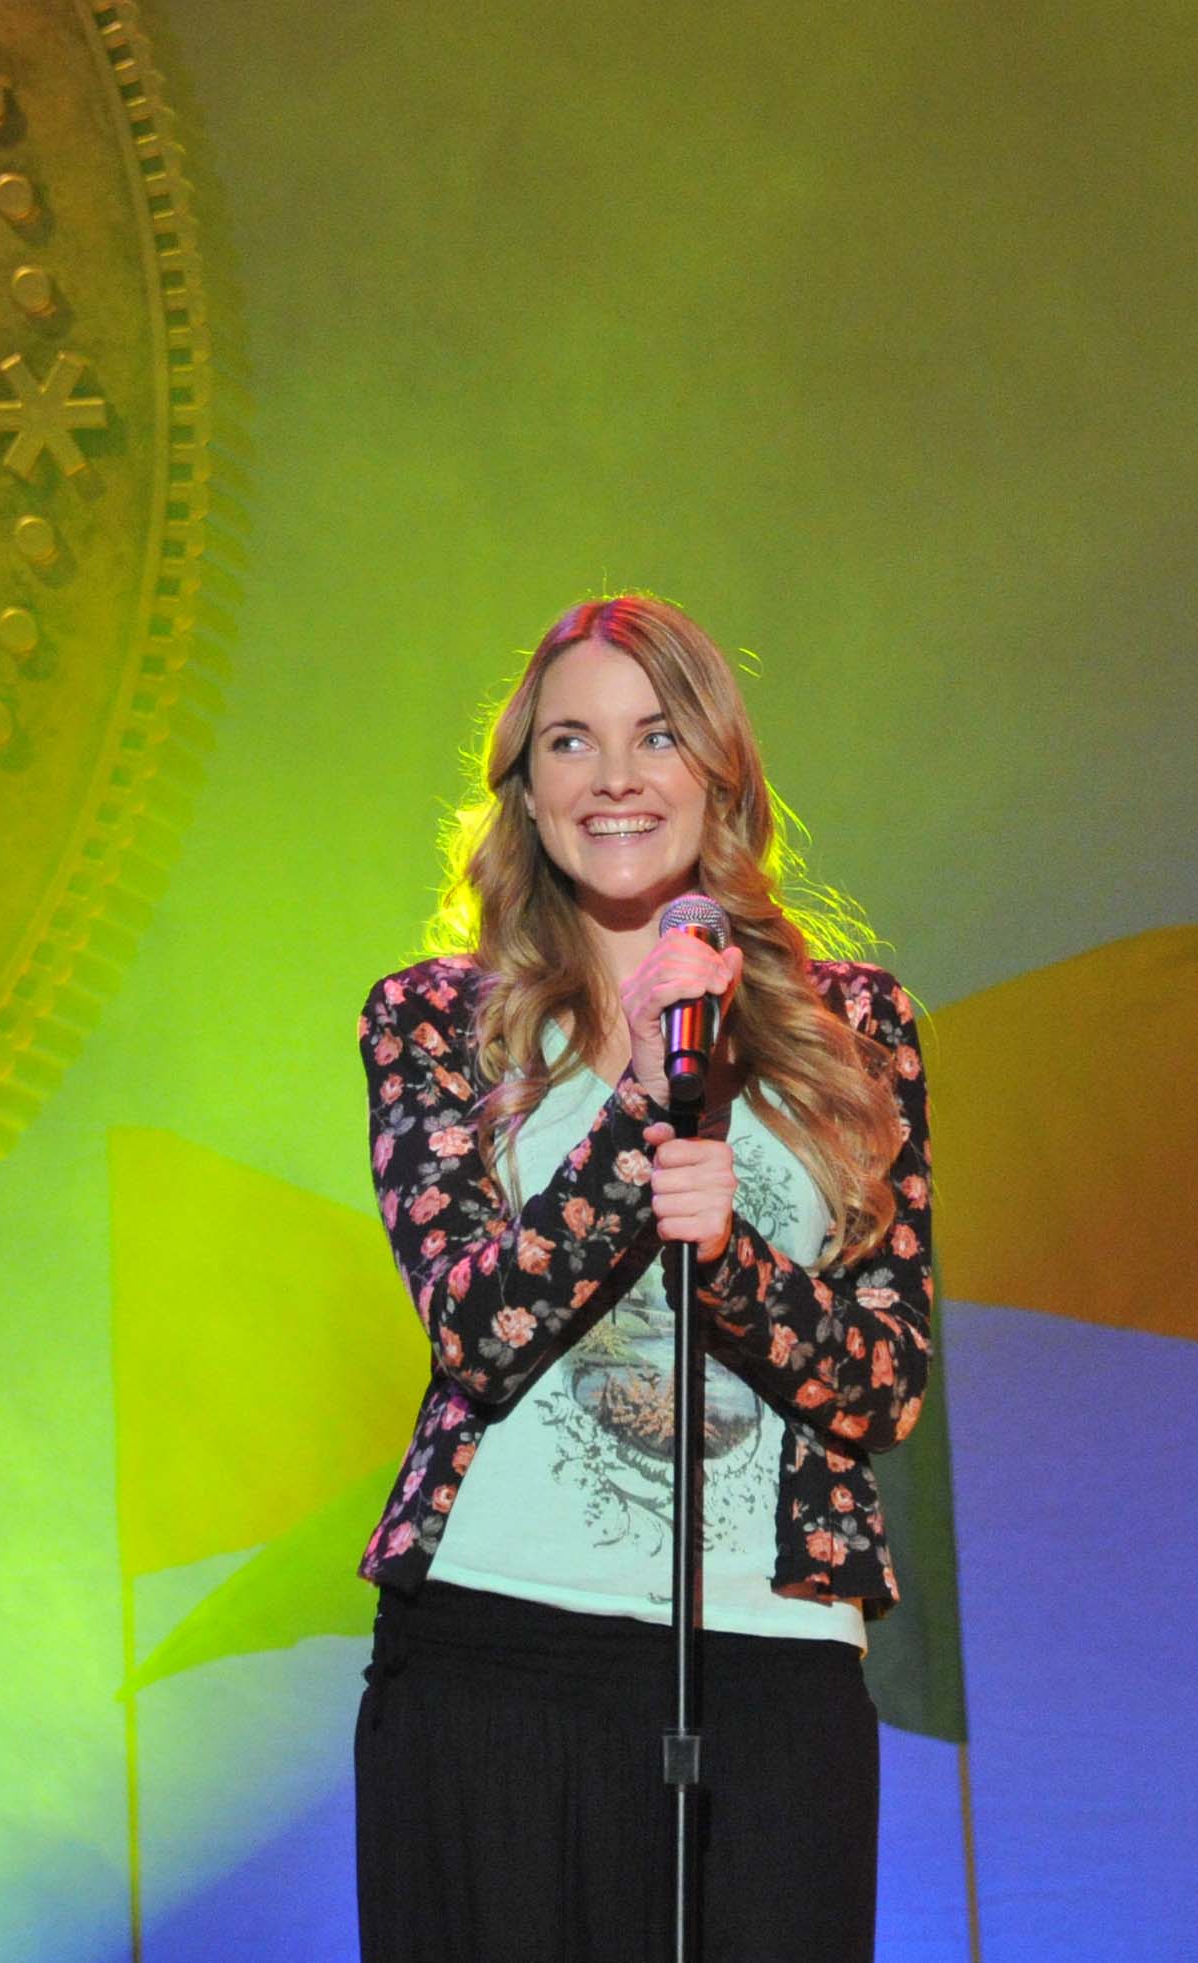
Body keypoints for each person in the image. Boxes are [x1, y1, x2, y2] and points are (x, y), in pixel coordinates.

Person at [352, 594, 934, 1963]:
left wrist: (731, 1260)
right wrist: (646, 1083)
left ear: (717, 772)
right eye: (570, 741)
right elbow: (477, 1324)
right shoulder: (437, 1015)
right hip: (495, 1649)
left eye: (656, 734)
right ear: (527, 789)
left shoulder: (856, 1028)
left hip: (770, 1655)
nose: (614, 776)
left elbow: (887, 1382)